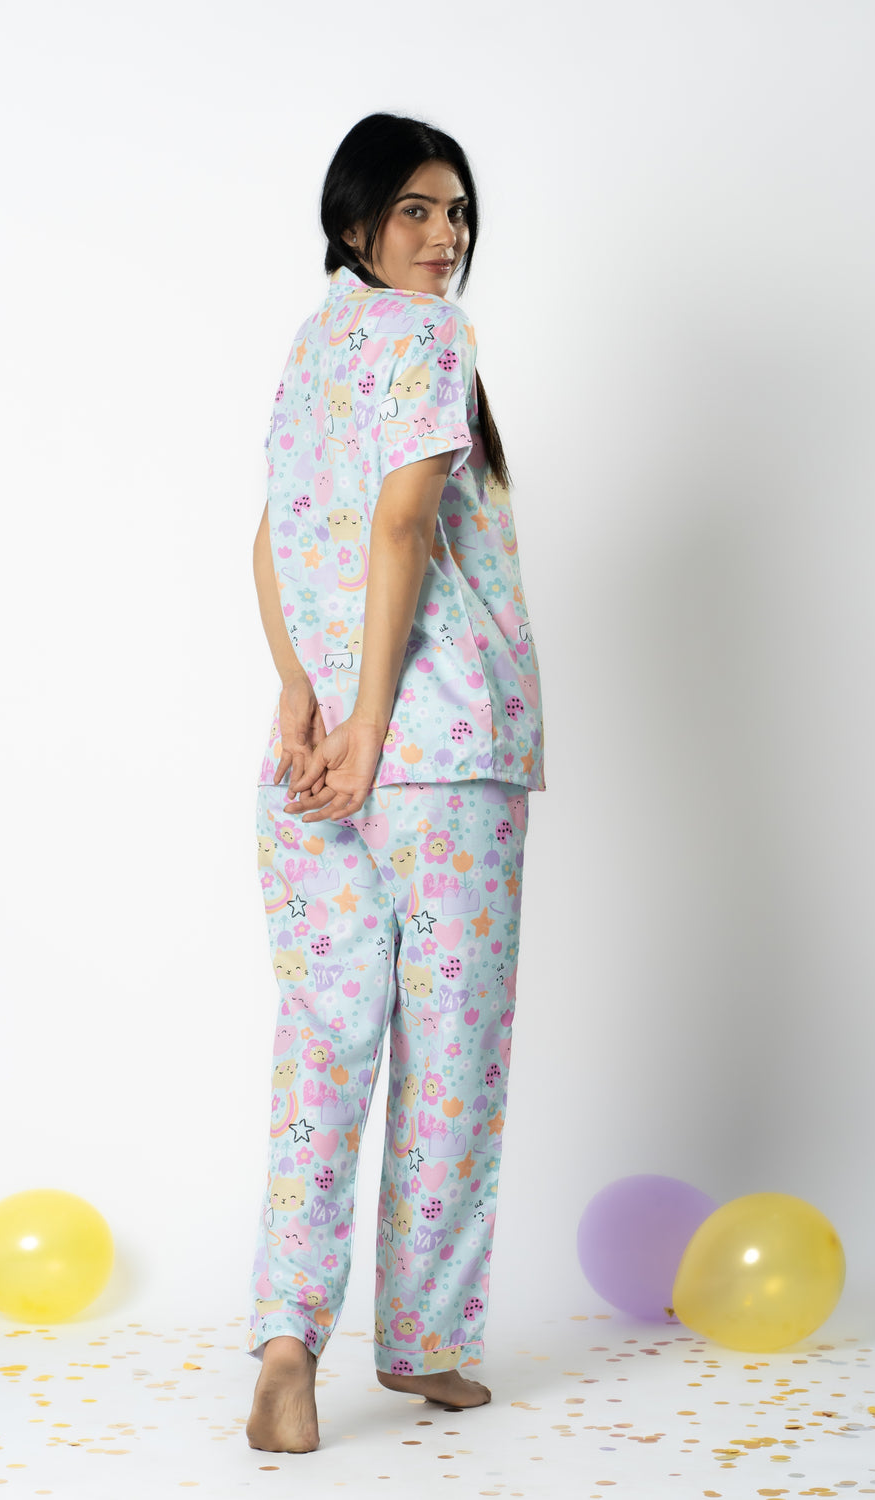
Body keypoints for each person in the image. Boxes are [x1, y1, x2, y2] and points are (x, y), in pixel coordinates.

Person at [244, 112, 545, 1454]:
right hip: (437, 750)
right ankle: (423, 1347)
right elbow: (406, 519)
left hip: (309, 760)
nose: (445, 236)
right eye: (416, 209)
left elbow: (271, 539)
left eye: (458, 212)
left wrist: (296, 692)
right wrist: (366, 718)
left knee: (321, 1046)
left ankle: (286, 1344)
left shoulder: (316, 347)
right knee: (450, 1055)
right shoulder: (427, 335)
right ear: (356, 218)